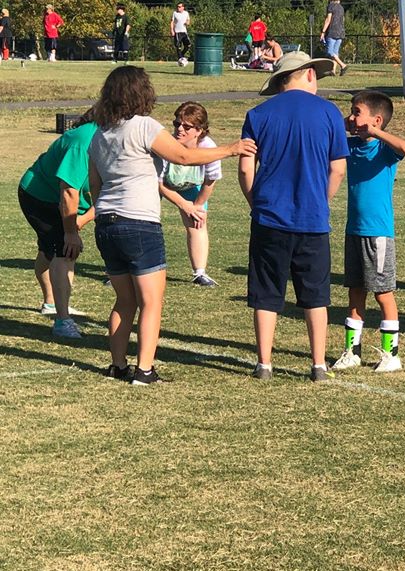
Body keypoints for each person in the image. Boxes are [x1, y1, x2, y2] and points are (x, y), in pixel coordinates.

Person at [89, 66, 256, 385]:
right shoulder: (143, 126)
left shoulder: (100, 133)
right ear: (141, 93)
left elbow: (95, 185)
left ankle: (118, 365)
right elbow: (181, 156)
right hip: (138, 221)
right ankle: (145, 370)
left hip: (106, 223)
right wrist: (231, 149)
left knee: (124, 300)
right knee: (151, 302)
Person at [238, 51, 348, 382]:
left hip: (269, 216)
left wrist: (254, 201)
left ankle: (265, 363)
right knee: (315, 295)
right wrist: (321, 199)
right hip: (313, 220)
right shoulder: (330, 113)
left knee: (267, 292)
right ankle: (317, 364)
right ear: (309, 74)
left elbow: (246, 167)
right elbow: (338, 169)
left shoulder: (258, 114)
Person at [332, 91, 405, 374]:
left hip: (378, 234)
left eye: (356, 111)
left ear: (376, 120)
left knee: (383, 293)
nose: (352, 117)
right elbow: (330, 131)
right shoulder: (350, 145)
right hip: (353, 230)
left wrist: (377, 132)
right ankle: (352, 352)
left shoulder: (384, 150)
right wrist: (348, 122)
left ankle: (392, 354)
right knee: (355, 292)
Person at [17, 109, 97, 339]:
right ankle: (62, 321)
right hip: (40, 195)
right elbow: (68, 192)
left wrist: (84, 218)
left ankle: (51, 304)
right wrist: (71, 230)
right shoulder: (84, 140)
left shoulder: (113, 139)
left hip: (62, 199)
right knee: (65, 250)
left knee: (49, 249)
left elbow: (108, 193)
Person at [159, 101, 222, 287]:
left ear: (200, 130)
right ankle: (120, 272)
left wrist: (196, 206)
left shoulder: (209, 147)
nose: (180, 129)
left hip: (192, 185)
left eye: (187, 127)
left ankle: (200, 273)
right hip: (164, 185)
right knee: (144, 220)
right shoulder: (166, 144)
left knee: (198, 222)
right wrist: (183, 204)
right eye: (177, 124)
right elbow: (158, 183)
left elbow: (210, 180)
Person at [320, 0, 348, 76]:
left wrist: (323, 32)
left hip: (332, 31)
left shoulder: (330, 6)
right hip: (340, 31)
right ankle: (333, 70)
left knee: (329, 52)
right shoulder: (341, 8)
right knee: (335, 52)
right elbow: (342, 20)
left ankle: (343, 65)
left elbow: (328, 20)